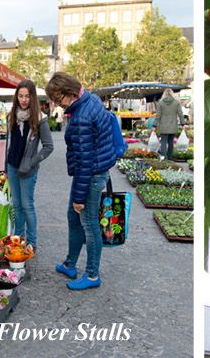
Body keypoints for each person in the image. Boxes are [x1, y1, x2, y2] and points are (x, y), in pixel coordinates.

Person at [48, 72, 125, 291]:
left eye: (57, 99)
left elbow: (84, 161)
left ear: (68, 93)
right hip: (94, 171)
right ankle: (70, 264)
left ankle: (92, 275)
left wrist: (80, 197)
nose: (57, 104)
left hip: (90, 175)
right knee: (73, 216)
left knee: (89, 224)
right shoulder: (90, 99)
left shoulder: (81, 117)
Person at [4, 80, 54, 251]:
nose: (24, 100)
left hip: (28, 171)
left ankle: (31, 241)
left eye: (27, 96)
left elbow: (49, 146)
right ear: (16, 97)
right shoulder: (11, 116)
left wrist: (32, 162)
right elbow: (9, 143)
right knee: (17, 205)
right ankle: (19, 238)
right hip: (12, 166)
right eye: (20, 96)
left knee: (27, 205)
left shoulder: (40, 119)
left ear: (32, 97)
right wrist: (5, 167)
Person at [154, 89, 182, 158]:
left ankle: (163, 157)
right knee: (171, 142)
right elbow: (180, 114)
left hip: (163, 126)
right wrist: (183, 124)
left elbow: (158, 115)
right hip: (173, 126)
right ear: (172, 94)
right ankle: (170, 156)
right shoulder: (177, 102)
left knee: (163, 142)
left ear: (164, 94)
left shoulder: (160, 102)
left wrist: (154, 125)